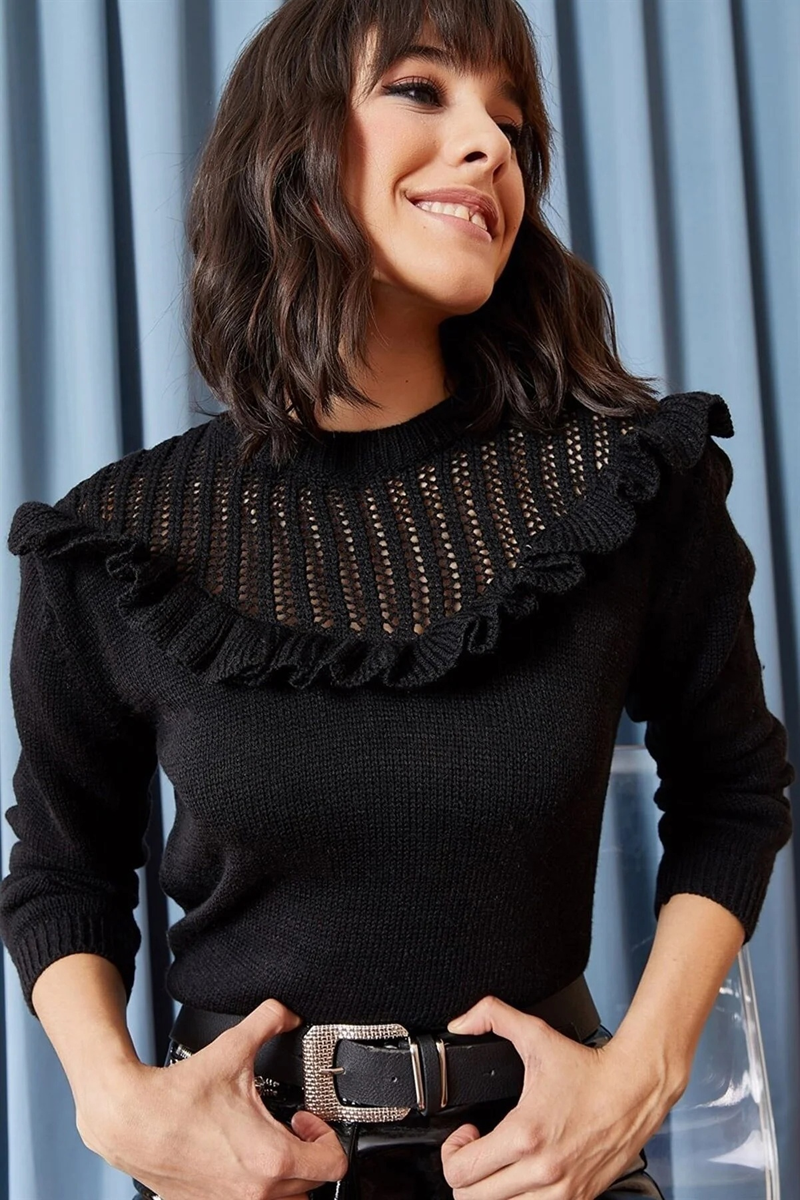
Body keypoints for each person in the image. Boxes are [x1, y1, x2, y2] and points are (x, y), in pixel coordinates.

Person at [1, 0, 794, 1197]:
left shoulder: (629, 486)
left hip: (543, 1171)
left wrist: (638, 1076)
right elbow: (62, 868)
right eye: (422, 89)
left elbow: (733, 789)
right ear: (291, 142)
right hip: (240, 1173)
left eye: (511, 126)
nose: (489, 146)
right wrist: (113, 1102)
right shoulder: (115, 541)